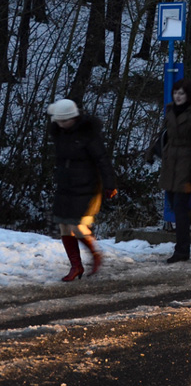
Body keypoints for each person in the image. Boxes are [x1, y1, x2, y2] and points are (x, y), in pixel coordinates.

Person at [47, 98, 117, 281]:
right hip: (65, 186)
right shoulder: (60, 134)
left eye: (64, 121)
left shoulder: (89, 135)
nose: (60, 124)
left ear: (73, 118)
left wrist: (110, 185)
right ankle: (76, 266)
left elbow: (102, 160)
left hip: (88, 187)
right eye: (58, 121)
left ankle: (95, 255)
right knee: (64, 226)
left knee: (77, 226)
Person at [156, 78, 191, 263]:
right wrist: (151, 151)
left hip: (186, 163)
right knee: (175, 204)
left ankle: (182, 251)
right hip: (170, 162)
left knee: (179, 208)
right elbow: (164, 134)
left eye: (182, 93)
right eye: (176, 92)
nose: (178, 96)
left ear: (189, 96)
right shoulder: (170, 109)